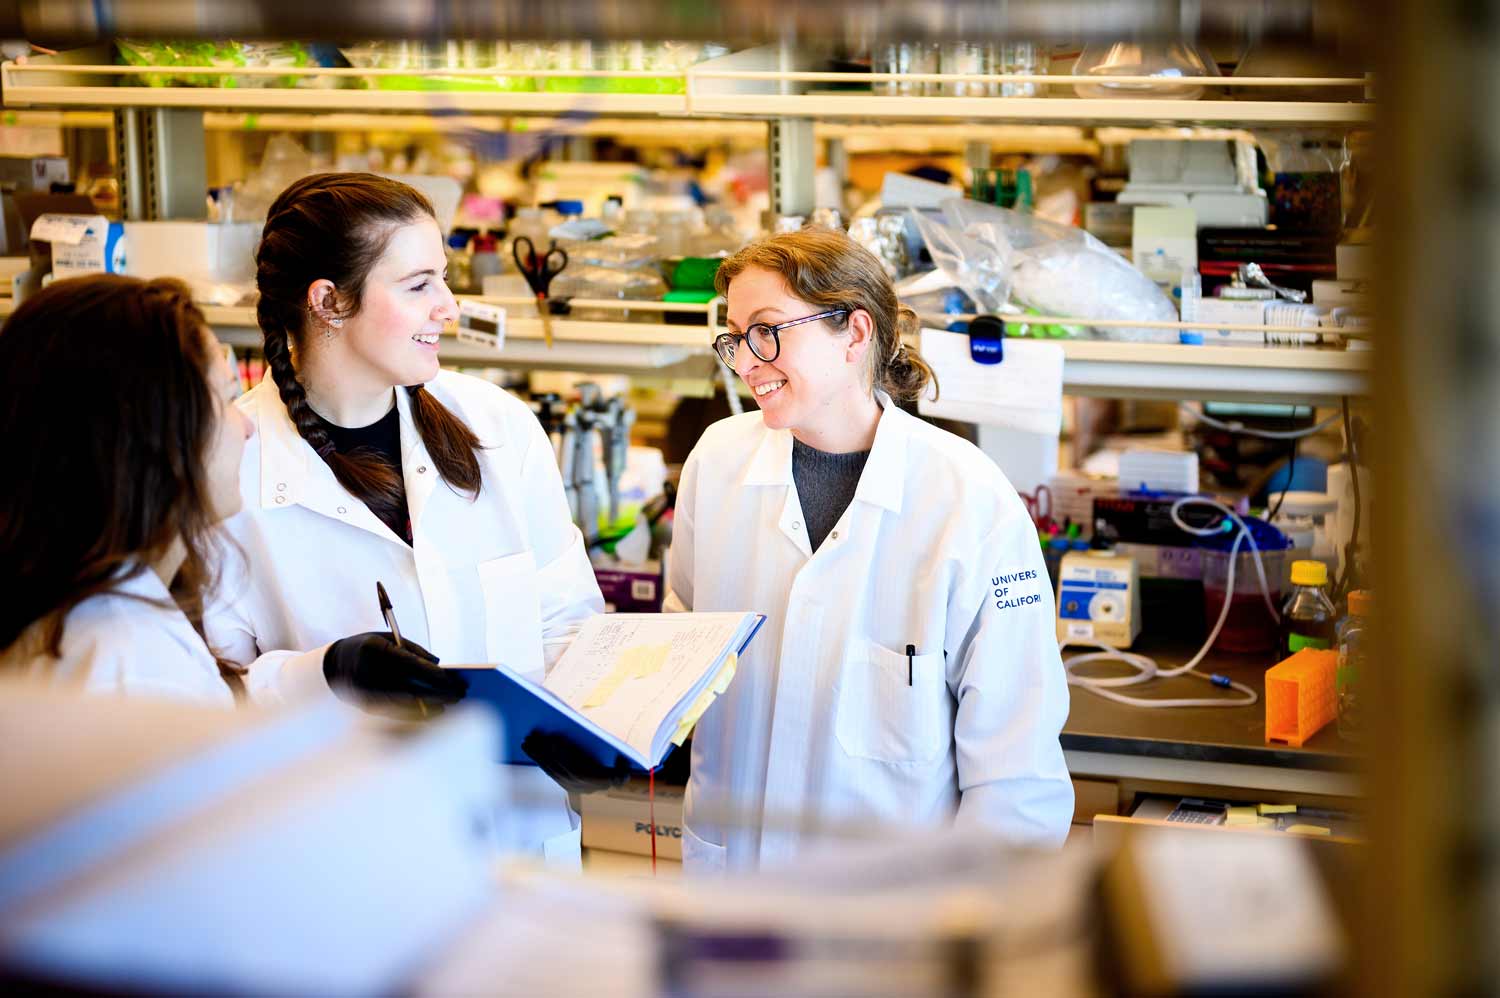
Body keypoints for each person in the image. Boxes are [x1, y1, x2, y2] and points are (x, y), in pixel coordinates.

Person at [204, 173, 604, 862]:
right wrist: (325, 675)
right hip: (342, 857)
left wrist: (587, 724)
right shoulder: (228, 468)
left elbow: (567, 614)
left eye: (442, 279)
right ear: (329, 302)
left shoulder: (499, 427)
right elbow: (207, 703)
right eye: (418, 285)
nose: (448, 307)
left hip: (520, 842)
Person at [665, 228, 1074, 872]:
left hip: (893, 918)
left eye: (767, 331)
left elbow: (1016, 778)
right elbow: (683, 644)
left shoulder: (968, 499)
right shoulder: (716, 462)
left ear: (854, 333)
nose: (745, 363)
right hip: (730, 890)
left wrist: (969, 929)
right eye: (735, 338)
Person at [0, 275, 454, 715]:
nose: (246, 425)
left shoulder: (89, 614)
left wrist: (330, 671)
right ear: (152, 437)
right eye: (222, 400)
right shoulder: (128, 660)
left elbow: (203, 703)